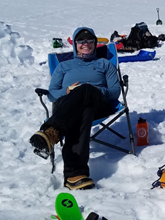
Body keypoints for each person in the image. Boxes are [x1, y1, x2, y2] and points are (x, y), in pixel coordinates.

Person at [29, 27, 121, 190]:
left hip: (99, 103)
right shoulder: (64, 66)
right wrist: (67, 91)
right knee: (83, 112)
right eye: (81, 41)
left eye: (89, 41)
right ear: (75, 44)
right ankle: (74, 176)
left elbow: (114, 92)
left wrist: (93, 89)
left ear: (95, 43)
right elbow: (51, 95)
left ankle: (51, 131)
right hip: (69, 109)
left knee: (85, 90)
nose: (85, 44)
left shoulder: (104, 64)